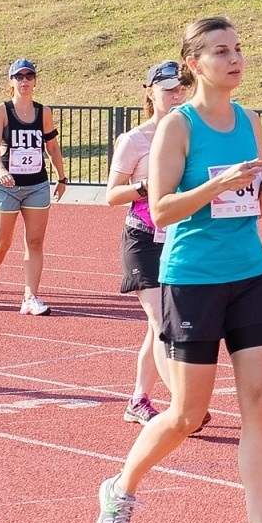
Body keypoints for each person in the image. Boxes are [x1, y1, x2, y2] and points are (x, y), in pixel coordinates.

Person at [95, 17, 262, 523]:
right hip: (192, 277)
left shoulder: (250, 120)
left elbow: (257, 210)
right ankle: (121, 487)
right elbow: (161, 209)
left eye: (238, 49)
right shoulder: (177, 126)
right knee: (188, 413)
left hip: (250, 272)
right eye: (220, 51)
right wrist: (217, 184)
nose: (235, 59)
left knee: (260, 404)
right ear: (193, 64)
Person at [105, 60, 191, 422]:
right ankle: (184, 405)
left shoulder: (191, 134)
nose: (175, 95)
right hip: (142, 239)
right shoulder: (134, 139)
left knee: (156, 326)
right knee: (162, 322)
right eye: (168, 89)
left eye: (180, 88)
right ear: (150, 93)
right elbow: (111, 195)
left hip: (179, 239)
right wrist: (144, 187)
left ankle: (139, 398)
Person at [0, 58, 69, 314]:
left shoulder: (44, 112)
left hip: (36, 184)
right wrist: (1, 169)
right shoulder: (2, 111)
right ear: (11, 82)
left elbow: (51, 147)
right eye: (19, 77)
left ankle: (30, 297)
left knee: (35, 242)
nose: (24, 81)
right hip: (6, 185)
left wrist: (62, 178)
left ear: (35, 81)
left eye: (29, 77)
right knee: (0, 243)